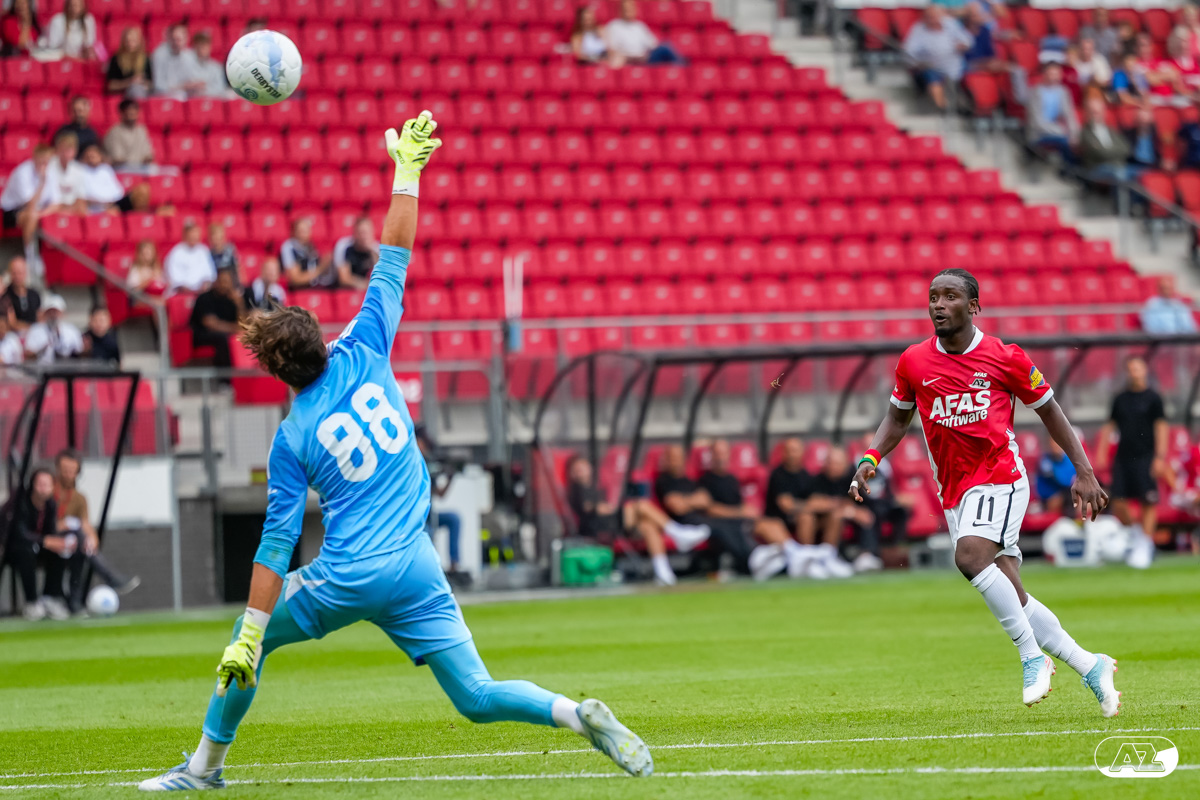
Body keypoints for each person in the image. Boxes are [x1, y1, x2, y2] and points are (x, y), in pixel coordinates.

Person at [137, 111, 652, 792]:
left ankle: (203, 769)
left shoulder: (293, 436)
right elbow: (394, 251)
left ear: (277, 369)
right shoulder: (367, 343)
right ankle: (574, 715)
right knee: (476, 694)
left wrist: (251, 631)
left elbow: (277, 543)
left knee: (247, 641)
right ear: (319, 335)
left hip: (347, 576)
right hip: (413, 563)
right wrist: (407, 172)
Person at [848, 268, 1118, 715]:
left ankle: (1032, 657)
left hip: (1000, 476)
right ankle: (1091, 665)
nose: (938, 305)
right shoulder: (914, 361)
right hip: (954, 490)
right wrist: (870, 458)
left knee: (970, 557)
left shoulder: (1004, 357)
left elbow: (1050, 410)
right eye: (933, 297)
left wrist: (1084, 470)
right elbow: (897, 417)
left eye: (950, 296)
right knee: (1012, 590)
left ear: (973, 306)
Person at [566, 453, 707, 586]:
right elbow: (590, 508)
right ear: (572, 473)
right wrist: (605, 507)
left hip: (613, 521)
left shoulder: (596, 488)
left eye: (583, 467)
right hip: (598, 526)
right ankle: (677, 532)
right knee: (641, 505)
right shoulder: (576, 489)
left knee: (648, 527)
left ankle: (663, 573)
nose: (581, 472)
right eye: (577, 470)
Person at [655, 444, 783, 580]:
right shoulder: (664, 481)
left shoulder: (689, 481)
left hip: (700, 519)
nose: (677, 461)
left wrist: (685, 501)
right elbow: (677, 506)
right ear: (666, 460)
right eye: (673, 458)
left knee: (733, 525)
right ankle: (752, 559)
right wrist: (692, 501)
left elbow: (704, 500)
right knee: (721, 527)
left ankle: (758, 556)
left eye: (679, 458)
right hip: (686, 524)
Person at [699, 439, 809, 578]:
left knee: (774, 523)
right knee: (764, 526)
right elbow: (710, 510)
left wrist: (746, 510)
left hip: (741, 521)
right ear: (711, 455)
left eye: (724, 453)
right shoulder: (705, 480)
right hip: (727, 526)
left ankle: (794, 554)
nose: (721, 457)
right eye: (717, 453)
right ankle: (797, 556)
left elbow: (738, 505)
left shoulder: (732, 479)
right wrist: (740, 512)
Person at [52, 448, 140, 614]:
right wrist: (62, 525)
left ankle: (75, 601)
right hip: (50, 540)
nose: (68, 475)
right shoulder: (48, 491)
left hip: (72, 543)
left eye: (72, 471)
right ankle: (111, 578)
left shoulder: (79, 498)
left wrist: (91, 538)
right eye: (65, 470)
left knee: (81, 542)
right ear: (57, 469)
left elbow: (85, 523)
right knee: (78, 536)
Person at [1095, 355, 1169, 552]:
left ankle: (1146, 544)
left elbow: (1161, 427)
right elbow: (1109, 426)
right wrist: (1101, 453)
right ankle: (1137, 535)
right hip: (1123, 457)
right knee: (1118, 501)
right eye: (1131, 369)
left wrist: (1160, 457)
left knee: (1148, 501)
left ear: (1145, 371)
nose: (1134, 373)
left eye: (1137, 369)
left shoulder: (1153, 398)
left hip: (1146, 457)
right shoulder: (1120, 399)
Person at [763, 438, 849, 579]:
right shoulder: (778, 475)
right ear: (783, 453)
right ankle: (807, 561)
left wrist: (822, 504)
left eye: (795, 450)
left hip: (807, 520)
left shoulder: (806, 475)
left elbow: (816, 500)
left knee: (834, 515)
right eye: (789, 451)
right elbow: (786, 505)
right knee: (806, 516)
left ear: (803, 452)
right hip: (782, 521)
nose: (792, 454)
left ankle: (828, 557)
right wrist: (809, 506)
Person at [2, 468, 59, 621]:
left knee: (59, 550)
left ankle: (49, 597)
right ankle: (32, 601)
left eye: (47, 484)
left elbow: (51, 531)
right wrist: (45, 541)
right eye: (40, 484)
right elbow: (19, 533)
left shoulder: (51, 504)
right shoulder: (20, 501)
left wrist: (58, 542)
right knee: (26, 551)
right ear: (32, 484)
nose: (43, 488)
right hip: (12, 548)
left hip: (37, 546)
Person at [902, 4, 972, 110]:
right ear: (924, 18)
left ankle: (965, 104)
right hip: (931, 66)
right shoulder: (918, 29)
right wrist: (918, 63)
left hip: (954, 63)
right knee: (932, 78)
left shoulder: (951, 24)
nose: (932, 19)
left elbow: (967, 39)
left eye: (935, 16)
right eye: (929, 17)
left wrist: (963, 45)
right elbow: (909, 52)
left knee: (973, 74)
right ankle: (943, 108)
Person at [2, 144, 63, 249]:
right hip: (11, 211)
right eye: (42, 160)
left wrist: (41, 214)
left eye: (47, 160)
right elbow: (30, 203)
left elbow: (56, 204)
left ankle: (51, 252)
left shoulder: (50, 172)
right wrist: (42, 183)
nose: (45, 163)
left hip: (38, 210)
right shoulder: (22, 172)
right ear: (35, 157)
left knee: (64, 212)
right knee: (32, 215)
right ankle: (30, 253)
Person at [1025, 60, 1080, 163]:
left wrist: (1074, 135)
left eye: (1057, 74)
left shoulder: (1063, 92)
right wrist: (1061, 131)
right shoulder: (1034, 92)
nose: (1054, 77)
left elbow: (1070, 116)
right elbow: (1037, 123)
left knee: (1077, 142)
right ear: (1044, 74)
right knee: (1065, 142)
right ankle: (1070, 168)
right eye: (1051, 74)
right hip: (1039, 134)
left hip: (1060, 133)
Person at [189, 268, 243, 368]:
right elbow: (210, 323)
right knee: (224, 338)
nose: (223, 284)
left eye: (226, 282)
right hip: (202, 334)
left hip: (225, 332)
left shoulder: (231, 300)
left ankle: (247, 373)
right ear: (216, 281)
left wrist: (239, 304)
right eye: (221, 281)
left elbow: (243, 323)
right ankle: (225, 376)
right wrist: (234, 329)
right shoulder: (204, 298)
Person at [1079, 95, 1139, 183]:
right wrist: (1116, 152)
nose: (1096, 115)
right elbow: (1101, 154)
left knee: (1140, 172)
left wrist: (1109, 151)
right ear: (1087, 113)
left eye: (1099, 112)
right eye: (1093, 112)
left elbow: (1126, 148)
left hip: (1118, 166)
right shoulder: (1085, 133)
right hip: (1097, 169)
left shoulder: (1111, 130)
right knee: (1119, 174)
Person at [604, 0, 684, 65]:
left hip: (645, 59)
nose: (628, 11)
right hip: (627, 60)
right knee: (665, 49)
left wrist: (645, 55)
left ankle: (682, 68)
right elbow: (612, 50)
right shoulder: (613, 26)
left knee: (665, 47)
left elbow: (653, 45)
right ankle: (683, 66)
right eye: (626, 9)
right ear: (620, 10)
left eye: (630, 9)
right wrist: (631, 57)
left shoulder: (639, 26)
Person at [25, 293, 83, 364]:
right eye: (50, 312)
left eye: (56, 312)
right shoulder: (35, 330)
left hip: (67, 368)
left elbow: (80, 353)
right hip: (42, 368)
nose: (53, 315)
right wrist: (41, 351)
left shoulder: (72, 330)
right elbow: (28, 356)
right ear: (45, 313)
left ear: (62, 313)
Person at [152, 22, 203, 98]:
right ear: (169, 38)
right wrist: (182, 86)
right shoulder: (159, 54)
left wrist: (195, 85)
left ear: (186, 39)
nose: (176, 43)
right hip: (164, 97)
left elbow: (193, 79)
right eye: (174, 39)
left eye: (179, 40)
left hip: (185, 96)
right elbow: (159, 86)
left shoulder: (189, 55)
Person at [280, 217, 331, 288]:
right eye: (301, 230)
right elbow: (295, 279)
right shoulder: (289, 247)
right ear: (294, 232)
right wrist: (321, 268)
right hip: (299, 289)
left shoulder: (312, 246)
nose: (304, 233)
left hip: (316, 286)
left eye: (306, 230)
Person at [165, 222, 216, 293]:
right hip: (182, 293)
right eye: (191, 233)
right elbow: (174, 278)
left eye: (195, 233)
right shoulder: (176, 252)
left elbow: (209, 274)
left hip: (202, 292)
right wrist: (188, 290)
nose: (194, 236)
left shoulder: (204, 250)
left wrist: (205, 284)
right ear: (185, 235)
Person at [104, 99, 156, 169]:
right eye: (129, 110)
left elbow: (148, 155)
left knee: (155, 169)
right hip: (121, 169)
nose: (132, 113)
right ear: (122, 113)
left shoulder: (141, 130)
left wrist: (148, 159)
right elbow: (117, 160)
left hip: (141, 168)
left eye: (134, 110)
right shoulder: (115, 132)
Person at [107, 25, 153, 98]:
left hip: (143, 91)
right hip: (126, 93)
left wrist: (142, 82)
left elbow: (151, 84)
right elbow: (111, 86)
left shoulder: (146, 58)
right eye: (127, 41)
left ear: (139, 41)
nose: (130, 44)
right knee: (135, 89)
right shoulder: (116, 59)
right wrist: (130, 82)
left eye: (133, 41)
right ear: (123, 42)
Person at [333, 217, 379, 290]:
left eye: (367, 232)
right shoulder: (344, 246)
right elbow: (344, 279)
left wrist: (372, 251)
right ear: (355, 233)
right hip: (345, 290)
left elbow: (381, 278)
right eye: (362, 233)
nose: (365, 237)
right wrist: (365, 284)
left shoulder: (377, 250)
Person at [47, 130, 88, 211]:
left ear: (75, 150)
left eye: (70, 149)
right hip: (51, 208)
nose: (67, 152)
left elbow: (81, 198)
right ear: (57, 149)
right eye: (64, 148)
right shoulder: (48, 166)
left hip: (70, 209)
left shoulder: (78, 169)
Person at [78, 143, 126, 213]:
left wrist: (109, 202)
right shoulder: (81, 171)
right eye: (88, 157)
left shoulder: (106, 169)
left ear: (100, 156)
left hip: (108, 206)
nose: (91, 159)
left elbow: (118, 192)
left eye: (93, 156)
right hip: (90, 208)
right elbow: (81, 194)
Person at [2, 255, 42, 332]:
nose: (17, 276)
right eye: (14, 273)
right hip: (13, 335)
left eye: (20, 273)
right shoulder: (6, 296)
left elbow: (40, 318)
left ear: (25, 273)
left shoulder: (34, 295)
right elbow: (11, 324)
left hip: (34, 333)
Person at [1036, 438, 1076, 515]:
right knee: (1070, 495)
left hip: (1067, 494)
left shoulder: (1068, 460)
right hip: (1048, 499)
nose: (1057, 446)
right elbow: (1062, 481)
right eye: (1054, 443)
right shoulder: (1045, 461)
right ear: (1049, 444)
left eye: (1059, 443)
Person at [187, 31, 230, 98]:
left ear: (209, 47)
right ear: (194, 47)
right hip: (191, 100)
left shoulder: (216, 67)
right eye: (199, 46)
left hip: (213, 100)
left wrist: (203, 90)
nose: (202, 49)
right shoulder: (187, 65)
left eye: (205, 46)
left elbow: (220, 89)